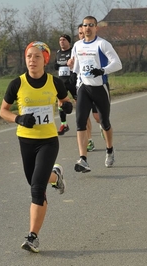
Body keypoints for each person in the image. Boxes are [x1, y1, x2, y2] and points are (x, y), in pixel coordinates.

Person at [0, 41, 72, 253]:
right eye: (29, 56)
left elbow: (64, 102)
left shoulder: (54, 82)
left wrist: (66, 105)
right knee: (34, 181)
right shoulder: (17, 84)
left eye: (37, 57)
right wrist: (18, 119)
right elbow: (3, 111)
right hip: (26, 141)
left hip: (48, 140)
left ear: (45, 60)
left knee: (37, 189)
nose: (32, 60)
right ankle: (55, 176)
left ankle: (33, 237)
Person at [71, 16, 122, 172]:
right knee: (80, 121)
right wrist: (76, 82)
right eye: (85, 25)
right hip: (84, 88)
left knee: (104, 122)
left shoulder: (102, 44)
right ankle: (83, 159)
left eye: (91, 25)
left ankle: (109, 149)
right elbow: (77, 68)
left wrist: (102, 70)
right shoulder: (77, 45)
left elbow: (117, 64)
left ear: (96, 28)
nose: (87, 28)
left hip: (100, 88)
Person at [69, 23, 103, 152]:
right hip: (81, 85)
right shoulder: (77, 46)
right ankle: (89, 140)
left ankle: (103, 126)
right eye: (80, 33)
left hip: (95, 84)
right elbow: (73, 63)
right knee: (83, 116)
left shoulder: (96, 46)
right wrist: (70, 64)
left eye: (83, 32)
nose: (82, 35)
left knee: (97, 117)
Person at [54, 34, 77, 135]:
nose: (61, 41)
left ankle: (83, 122)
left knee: (78, 102)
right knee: (60, 103)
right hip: (62, 82)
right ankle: (64, 124)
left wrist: (73, 74)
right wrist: (56, 65)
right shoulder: (58, 53)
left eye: (64, 40)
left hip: (72, 81)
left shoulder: (73, 51)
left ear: (68, 42)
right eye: (60, 40)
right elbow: (56, 65)